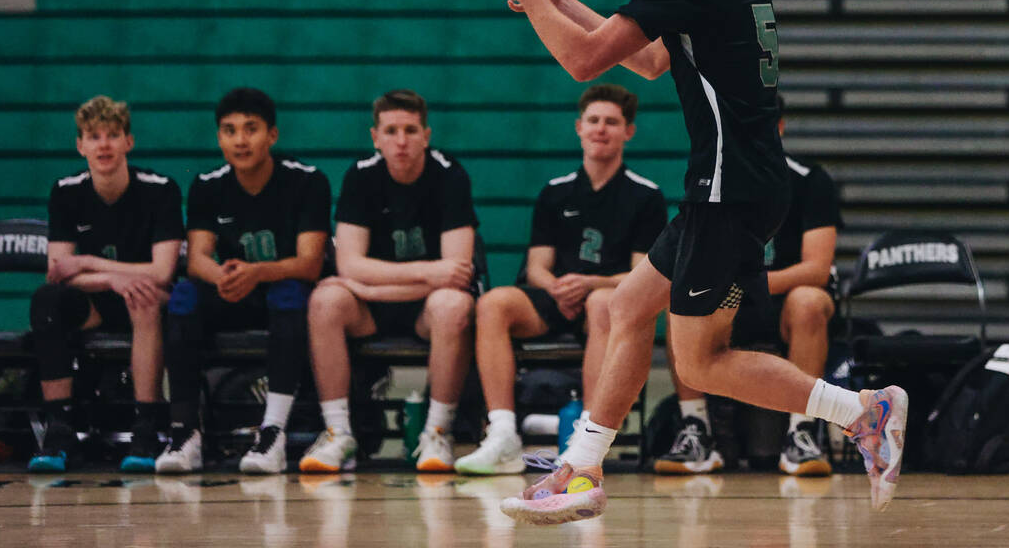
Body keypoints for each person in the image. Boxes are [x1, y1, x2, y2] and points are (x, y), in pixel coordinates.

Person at [470, 0, 907, 523]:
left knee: (702, 363)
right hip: (737, 184)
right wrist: (552, 1)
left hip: (730, 191)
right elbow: (648, 62)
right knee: (624, 307)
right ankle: (579, 471)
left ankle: (862, 410)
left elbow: (585, 63)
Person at [454, 84, 668, 475]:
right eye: (593, 121)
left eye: (611, 122)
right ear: (579, 127)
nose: (601, 129)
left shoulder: (646, 196)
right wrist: (556, 286)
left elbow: (642, 275)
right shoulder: (555, 192)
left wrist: (590, 285)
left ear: (628, 132)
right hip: (557, 296)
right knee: (493, 304)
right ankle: (502, 433)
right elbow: (537, 265)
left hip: (607, 302)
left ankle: (584, 436)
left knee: (602, 302)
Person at [656, 92, 843, 477]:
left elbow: (816, 269)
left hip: (780, 298)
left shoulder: (809, 181)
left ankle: (802, 432)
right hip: (732, 297)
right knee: (678, 301)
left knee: (809, 300)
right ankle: (696, 430)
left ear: (778, 129)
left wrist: (749, 282)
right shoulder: (713, 181)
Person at [298, 89, 479, 473]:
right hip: (375, 307)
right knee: (325, 300)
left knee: (454, 305)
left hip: (425, 309)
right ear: (374, 136)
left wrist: (370, 282)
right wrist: (427, 272)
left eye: (410, 130)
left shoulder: (450, 175)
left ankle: (437, 432)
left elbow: (458, 271)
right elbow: (349, 265)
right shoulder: (360, 176)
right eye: (391, 130)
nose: (401, 141)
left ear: (426, 136)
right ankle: (337, 433)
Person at [156, 87, 331, 475]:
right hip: (236, 289)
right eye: (229, 130)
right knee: (184, 296)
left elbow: (310, 263)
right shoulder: (207, 184)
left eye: (250, 129)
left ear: (272, 135)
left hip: (281, 289)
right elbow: (197, 257)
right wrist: (221, 276)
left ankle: (273, 432)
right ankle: (186, 433)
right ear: (219, 138)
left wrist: (258, 272)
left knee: (289, 295)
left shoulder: (307, 181)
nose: (240, 140)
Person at [28, 95, 183, 473]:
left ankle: (146, 426)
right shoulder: (66, 191)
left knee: (144, 295)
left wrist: (92, 263)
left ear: (129, 142)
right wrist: (113, 277)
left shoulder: (160, 189)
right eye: (93, 136)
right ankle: (60, 428)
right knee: (48, 300)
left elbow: (162, 272)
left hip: (149, 303)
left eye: (113, 135)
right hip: (97, 303)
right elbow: (60, 271)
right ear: (80, 145)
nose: (104, 144)